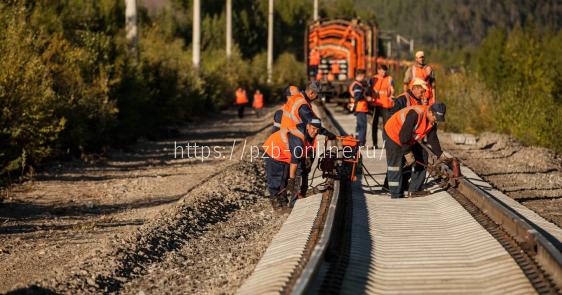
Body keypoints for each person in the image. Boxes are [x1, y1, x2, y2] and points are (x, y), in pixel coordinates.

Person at [383, 103, 446, 198]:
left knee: (422, 155)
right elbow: (403, 138)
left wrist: (440, 155)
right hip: (393, 134)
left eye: (438, 118)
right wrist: (408, 153)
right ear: (429, 111)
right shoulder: (415, 114)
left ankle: (414, 190)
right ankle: (395, 193)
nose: (436, 120)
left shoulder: (432, 121)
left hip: (408, 138)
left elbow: (432, 138)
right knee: (396, 162)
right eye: (435, 117)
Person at [262, 119, 322, 209]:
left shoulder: (308, 133)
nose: (315, 131)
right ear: (308, 126)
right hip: (275, 150)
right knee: (278, 178)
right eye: (313, 128)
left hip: (286, 153)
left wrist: (307, 156)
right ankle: (277, 203)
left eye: (318, 130)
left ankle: (285, 202)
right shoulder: (298, 138)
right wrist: (292, 179)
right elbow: (294, 162)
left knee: (284, 177)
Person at [370, 64, 395, 148]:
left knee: (386, 125)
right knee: (374, 124)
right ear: (378, 71)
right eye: (382, 70)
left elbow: (392, 88)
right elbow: (368, 89)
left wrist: (392, 94)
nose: (383, 72)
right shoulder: (373, 79)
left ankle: (386, 143)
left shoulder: (389, 78)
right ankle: (374, 144)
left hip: (386, 105)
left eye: (385, 70)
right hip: (376, 104)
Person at [349, 69, 370, 146]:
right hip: (360, 108)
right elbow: (357, 97)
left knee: (359, 126)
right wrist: (367, 98)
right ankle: (361, 142)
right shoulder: (357, 85)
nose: (364, 78)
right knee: (363, 126)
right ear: (360, 76)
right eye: (363, 76)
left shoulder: (355, 84)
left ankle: (357, 140)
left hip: (359, 108)